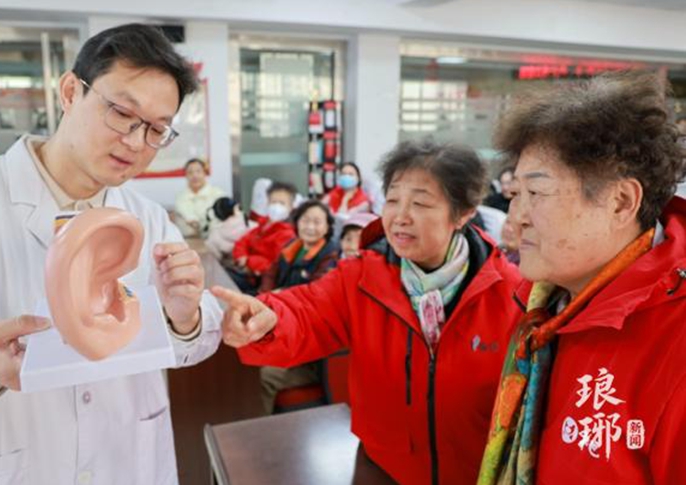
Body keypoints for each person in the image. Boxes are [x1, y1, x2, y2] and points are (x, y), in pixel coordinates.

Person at [0, 24, 223, 485]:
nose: (136, 142)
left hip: (127, 464)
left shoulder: (149, 219)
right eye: (122, 113)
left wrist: (183, 317)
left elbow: (194, 339)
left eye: (157, 129)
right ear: (71, 91)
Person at [213, 138, 523, 485]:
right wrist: (266, 319)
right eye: (392, 200)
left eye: (420, 203)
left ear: (464, 212)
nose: (400, 217)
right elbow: (306, 311)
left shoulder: (513, 294)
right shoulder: (362, 277)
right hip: (382, 469)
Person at [477, 71, 686, 485]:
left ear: (620, 202)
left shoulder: (674, 340)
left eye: (537, 194)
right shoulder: (539, 306)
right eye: (516, 194)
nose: (516, 217)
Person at [258, 200, 339, 414]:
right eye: (305, 220)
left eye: (317, 222)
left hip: (307, 348)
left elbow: (314, 295)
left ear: (327, 227)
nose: (310, 227)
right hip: (281, 327)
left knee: (264, 375)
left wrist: (278, 297)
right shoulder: (293, 247)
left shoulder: (330, 256)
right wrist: (265, 296)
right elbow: (270, 273)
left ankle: (262, 428)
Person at [230, 182, 297, 293]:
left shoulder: (288, 234)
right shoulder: (263, 225)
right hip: (247, 273)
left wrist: (249, 260)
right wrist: (241, 256)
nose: (276, 206)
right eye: (273, 202)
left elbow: (274, 266)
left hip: (261, 283)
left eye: (282, 203)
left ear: (291, 207)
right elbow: (242, 242)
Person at [174, 158, 225, 237]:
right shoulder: (180, 197)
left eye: (198, 171)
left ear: (205, 173)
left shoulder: (218, 194)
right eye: (190, 172)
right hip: (189, 240)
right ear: (186, 175)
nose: (195, 176)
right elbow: (189, 223)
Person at [205, 197, 256, 262]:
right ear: (236, 209)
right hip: (253, 264)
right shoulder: (254, 227)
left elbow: (217, 257)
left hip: (227, 267)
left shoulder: (214, 235)